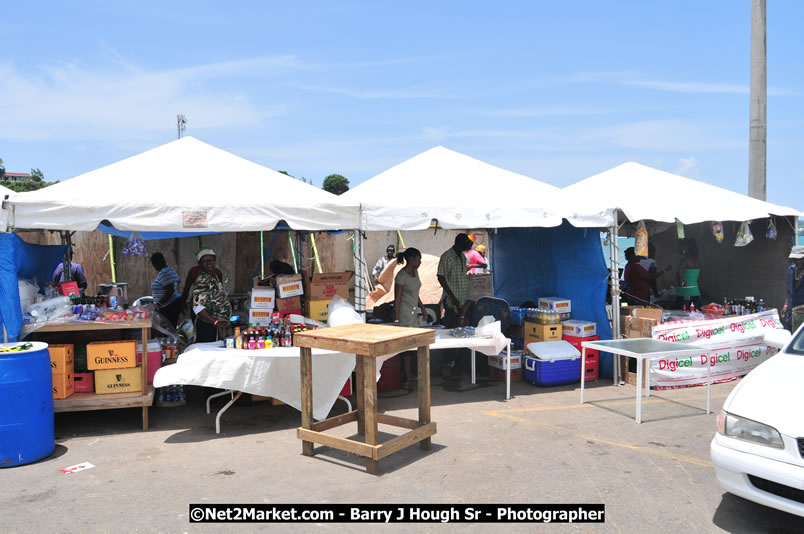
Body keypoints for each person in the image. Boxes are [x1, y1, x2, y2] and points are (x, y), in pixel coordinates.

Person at [437, 233, 474, 380]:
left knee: (464, 336)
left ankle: (458, 369)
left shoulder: (462, 257)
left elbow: (462, 275)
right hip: (452, 303)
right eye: (466, 245)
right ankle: (447, 366)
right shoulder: (446, 256)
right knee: (450, 336)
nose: (468, 248)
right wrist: (452, 296)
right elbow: (440, 276)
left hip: (463, 302)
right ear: (459, 243)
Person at [393, 248, 426, 388]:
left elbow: (415, 293)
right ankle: (407, 377)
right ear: (411, 260)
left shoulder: (415, 272)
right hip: (405, 314)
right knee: (406, 348)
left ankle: (410, 374)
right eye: (418, 259)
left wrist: (423, 308)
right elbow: (398, 299)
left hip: (414, 314)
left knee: (415, 345)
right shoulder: (401, 276)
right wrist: (396, 320)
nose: (420, 262)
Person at [191, 248, 232, 343]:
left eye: (211, 260)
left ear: (215, 261)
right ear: (200, 264)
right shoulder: (202, 280)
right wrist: (216, 322)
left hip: (218, 326)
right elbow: (198, 307)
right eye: (205, 261)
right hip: (209, 326)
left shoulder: (213, 276)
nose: (209, 262)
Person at [150, 253, 182, 327]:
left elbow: (170, 290)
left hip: (169, 306)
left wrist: (158, 304)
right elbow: (177, 281)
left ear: (155, 264)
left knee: (167, 330)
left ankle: (169, 339)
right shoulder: (170, 270)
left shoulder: (164, 272)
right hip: (173, 303)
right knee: (170, 329)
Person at [783, 245, 804, 331]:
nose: (797, 261)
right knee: (792, 337)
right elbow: (789, 291)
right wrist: (786, 305)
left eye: (800, 258)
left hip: (802, 314)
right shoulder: (791, 270)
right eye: (795, 259)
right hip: (791, 313)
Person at [676, 238, 701, 309]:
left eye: (681, 246)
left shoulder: (685, 260)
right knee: (694, 316)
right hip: (696, 292)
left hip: (685, 292)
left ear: (687, 248)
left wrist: (681, 284)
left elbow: (679, 272)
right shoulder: (697, 261)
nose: (679, 248)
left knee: (683, 316)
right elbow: (699, 278)